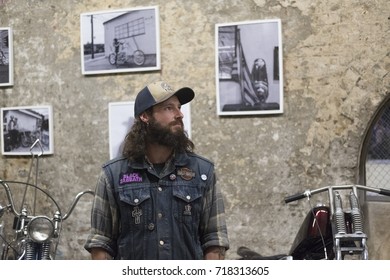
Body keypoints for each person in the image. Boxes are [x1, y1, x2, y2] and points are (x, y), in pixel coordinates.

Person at [84, 80, 229, 260]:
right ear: (145, 116)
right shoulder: (113, 175)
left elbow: (215, 239)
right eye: (169, 108)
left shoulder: (203, 171)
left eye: (179, 107)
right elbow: (101, 242)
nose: (179, 114)